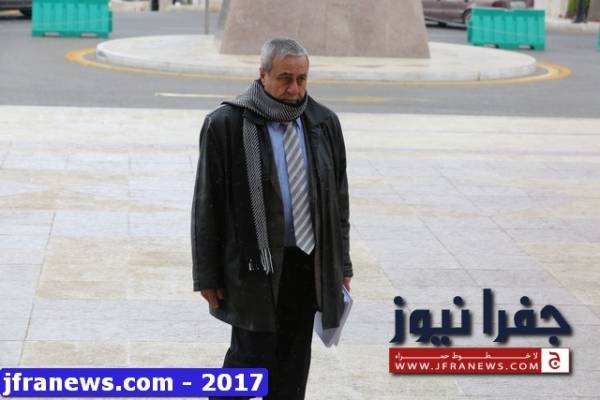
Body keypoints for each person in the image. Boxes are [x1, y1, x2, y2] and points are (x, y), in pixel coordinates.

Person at [191, 37, 352, 400]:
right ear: (262, 74)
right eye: (285, 78)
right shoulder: (226, 124)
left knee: (293, 365)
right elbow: (206, 205)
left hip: (306, 265)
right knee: (248, 361)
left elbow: (338, 204)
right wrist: (207, 275)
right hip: (254, 267)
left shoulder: (323, 123)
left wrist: (342, 264)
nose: (295, 89)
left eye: (302, 79)